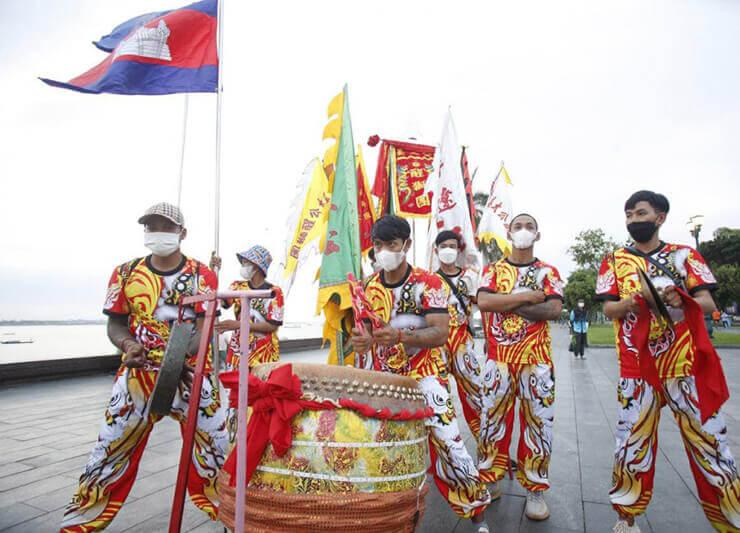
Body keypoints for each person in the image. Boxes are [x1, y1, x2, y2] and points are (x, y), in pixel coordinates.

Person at [60, 203, 229, 532]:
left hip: (192, 376)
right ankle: (79, 524)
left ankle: (232, 518)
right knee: (107, 453)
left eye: (164, 226)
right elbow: (116, 325)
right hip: (138, 378)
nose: (157, 232)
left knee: (217, 451)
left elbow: (203, 328)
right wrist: (128, 345)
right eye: (150, 227)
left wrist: (178, 358)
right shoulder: (124, 273)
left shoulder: (201, 275)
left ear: (182, 233)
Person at [595, 190, 740, 533]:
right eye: (629, 214)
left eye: (641, 213)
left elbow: (707, 303)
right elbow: (608, 308)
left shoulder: (685, 256)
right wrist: (634, 300)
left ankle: (730, 519)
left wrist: (681, 297)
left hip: (685, 367)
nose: (634, 220)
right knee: (631, 446)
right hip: (637, 368)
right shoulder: (614, 260)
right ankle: (626, 518)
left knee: (711, 445)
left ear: (659, 218)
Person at [351, 215, 491, 533]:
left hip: (426, 375)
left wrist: (400, 337)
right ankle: (384, 518)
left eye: (392, 244)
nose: (385, 251)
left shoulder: (428, 283)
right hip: (384, 380)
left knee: (449, 444)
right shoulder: (367, 288)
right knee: (377, 447)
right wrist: (359, 341)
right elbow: (363, 335)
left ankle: (478, 515)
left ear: (407, 245)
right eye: (378, 245)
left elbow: (440, 333)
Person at [476, 213, 563, 521]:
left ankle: (535, 488)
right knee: (492, 423)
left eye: (529, 227)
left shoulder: (547, 272)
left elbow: (553, 309)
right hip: (498, 360)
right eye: (518, 226)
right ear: (508, 233)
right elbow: (484, 303)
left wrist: (507, 301)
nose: (523, 231)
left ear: (537, 234)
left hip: (536, 361)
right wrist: (526, 297)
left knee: (539, 425)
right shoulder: (493, 270)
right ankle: (490, 480)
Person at [434, 230, 485, 438]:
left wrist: (490, 339)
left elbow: (483, 305)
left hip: (464, 342)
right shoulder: (430, 280)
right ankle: (446, 447)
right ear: (435, 250)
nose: (448, 250)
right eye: (444, 246)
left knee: (475, 395)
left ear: (458, 250)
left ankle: (488, 448)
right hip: (438, 344)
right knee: (439, 396)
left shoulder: (470, 276)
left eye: (452, 246)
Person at [212, 245, 284, 372]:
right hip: (238, 351)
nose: (243, 266)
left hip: (264, 354)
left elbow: (273, 326)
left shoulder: (274, 292)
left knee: (261, 389)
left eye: (246, 262)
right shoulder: (237, 286)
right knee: (235, 388)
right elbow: (219, 302)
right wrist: (213, 272)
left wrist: (239, 325)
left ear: (257, 266)